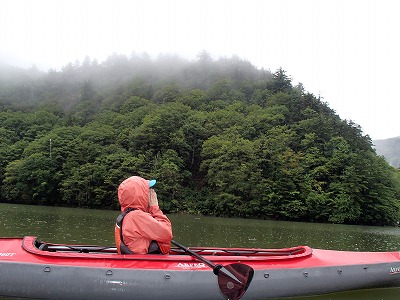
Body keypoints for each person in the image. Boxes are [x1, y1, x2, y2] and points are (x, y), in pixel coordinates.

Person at [115, 176, 173, 254]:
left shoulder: (129, 215)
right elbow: (167, 233)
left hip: (135, 261)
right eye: (148, 190)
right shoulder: (137, 216)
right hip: (143, 263)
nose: (151, 192)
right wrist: (154, 207)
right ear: (140, 195)